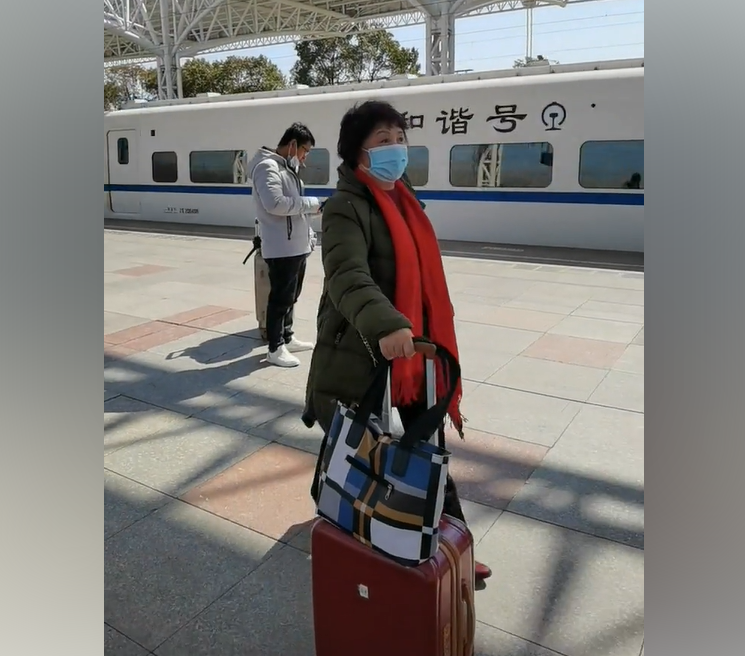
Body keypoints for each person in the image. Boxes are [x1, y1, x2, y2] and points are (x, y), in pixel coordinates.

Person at [302, 100, 492, 582]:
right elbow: (346, 274)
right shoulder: (344, 207)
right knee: (354, 445)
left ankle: (451, 544)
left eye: (399, 138)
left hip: (416, 352)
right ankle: (340, 517)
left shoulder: (407, 200)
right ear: (357, 152)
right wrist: (387, 323)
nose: (396, 148)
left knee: (423, 448)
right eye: (382, 140)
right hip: (361, 346)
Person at [248, 123, 320, 368]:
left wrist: (309, 234)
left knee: (291, 296)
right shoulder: (267, 167)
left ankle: (287, 337)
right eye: (304, 151)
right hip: (281, 248)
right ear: (292, 145)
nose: (305, 157)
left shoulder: (287, 168)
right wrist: (312, 203)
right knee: (280, 299)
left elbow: (294, 207)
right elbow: (275, 204)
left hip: (296, 246)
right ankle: (275, 347)